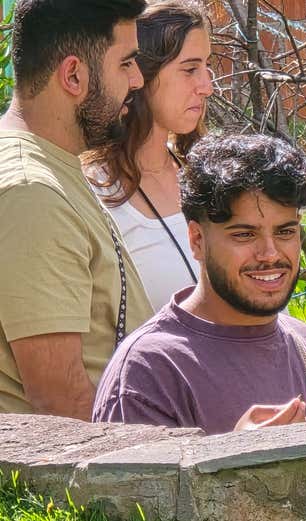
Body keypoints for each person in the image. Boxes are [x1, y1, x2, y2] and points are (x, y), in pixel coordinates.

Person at [92, 133, 306, 434]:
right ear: (197, 240)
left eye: (285, 232)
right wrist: (238, 451)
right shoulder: (149, 374)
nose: (270, 254)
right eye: (244, 235)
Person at [0, 0, 154, 419]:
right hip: (90, 460)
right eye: (126, 63)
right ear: (73, 75)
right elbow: (60, 399)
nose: (138, 80)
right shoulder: (32, 193)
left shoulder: (50, 169)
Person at [83, 0, 213, 311]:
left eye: (206, 67)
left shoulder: (206, 174)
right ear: (140, 73)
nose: (206, 87)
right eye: (190, 69)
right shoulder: (95, 191)